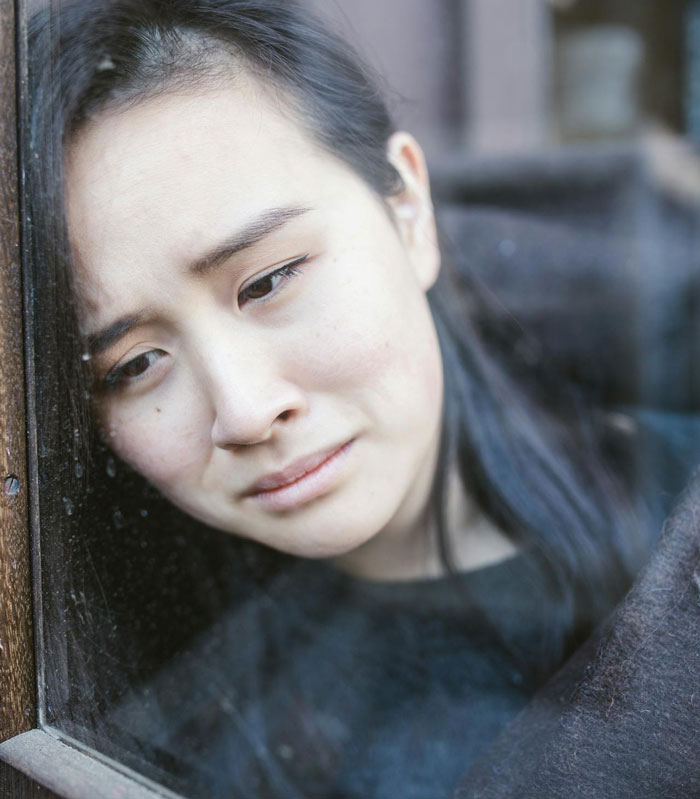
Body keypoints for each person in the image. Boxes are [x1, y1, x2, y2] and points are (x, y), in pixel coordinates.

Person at [25, 1, 682, 797]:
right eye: (133, 366)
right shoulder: (178, 742)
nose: (243, 409)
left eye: (268, 280)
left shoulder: (682, 495)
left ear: (406, 208)